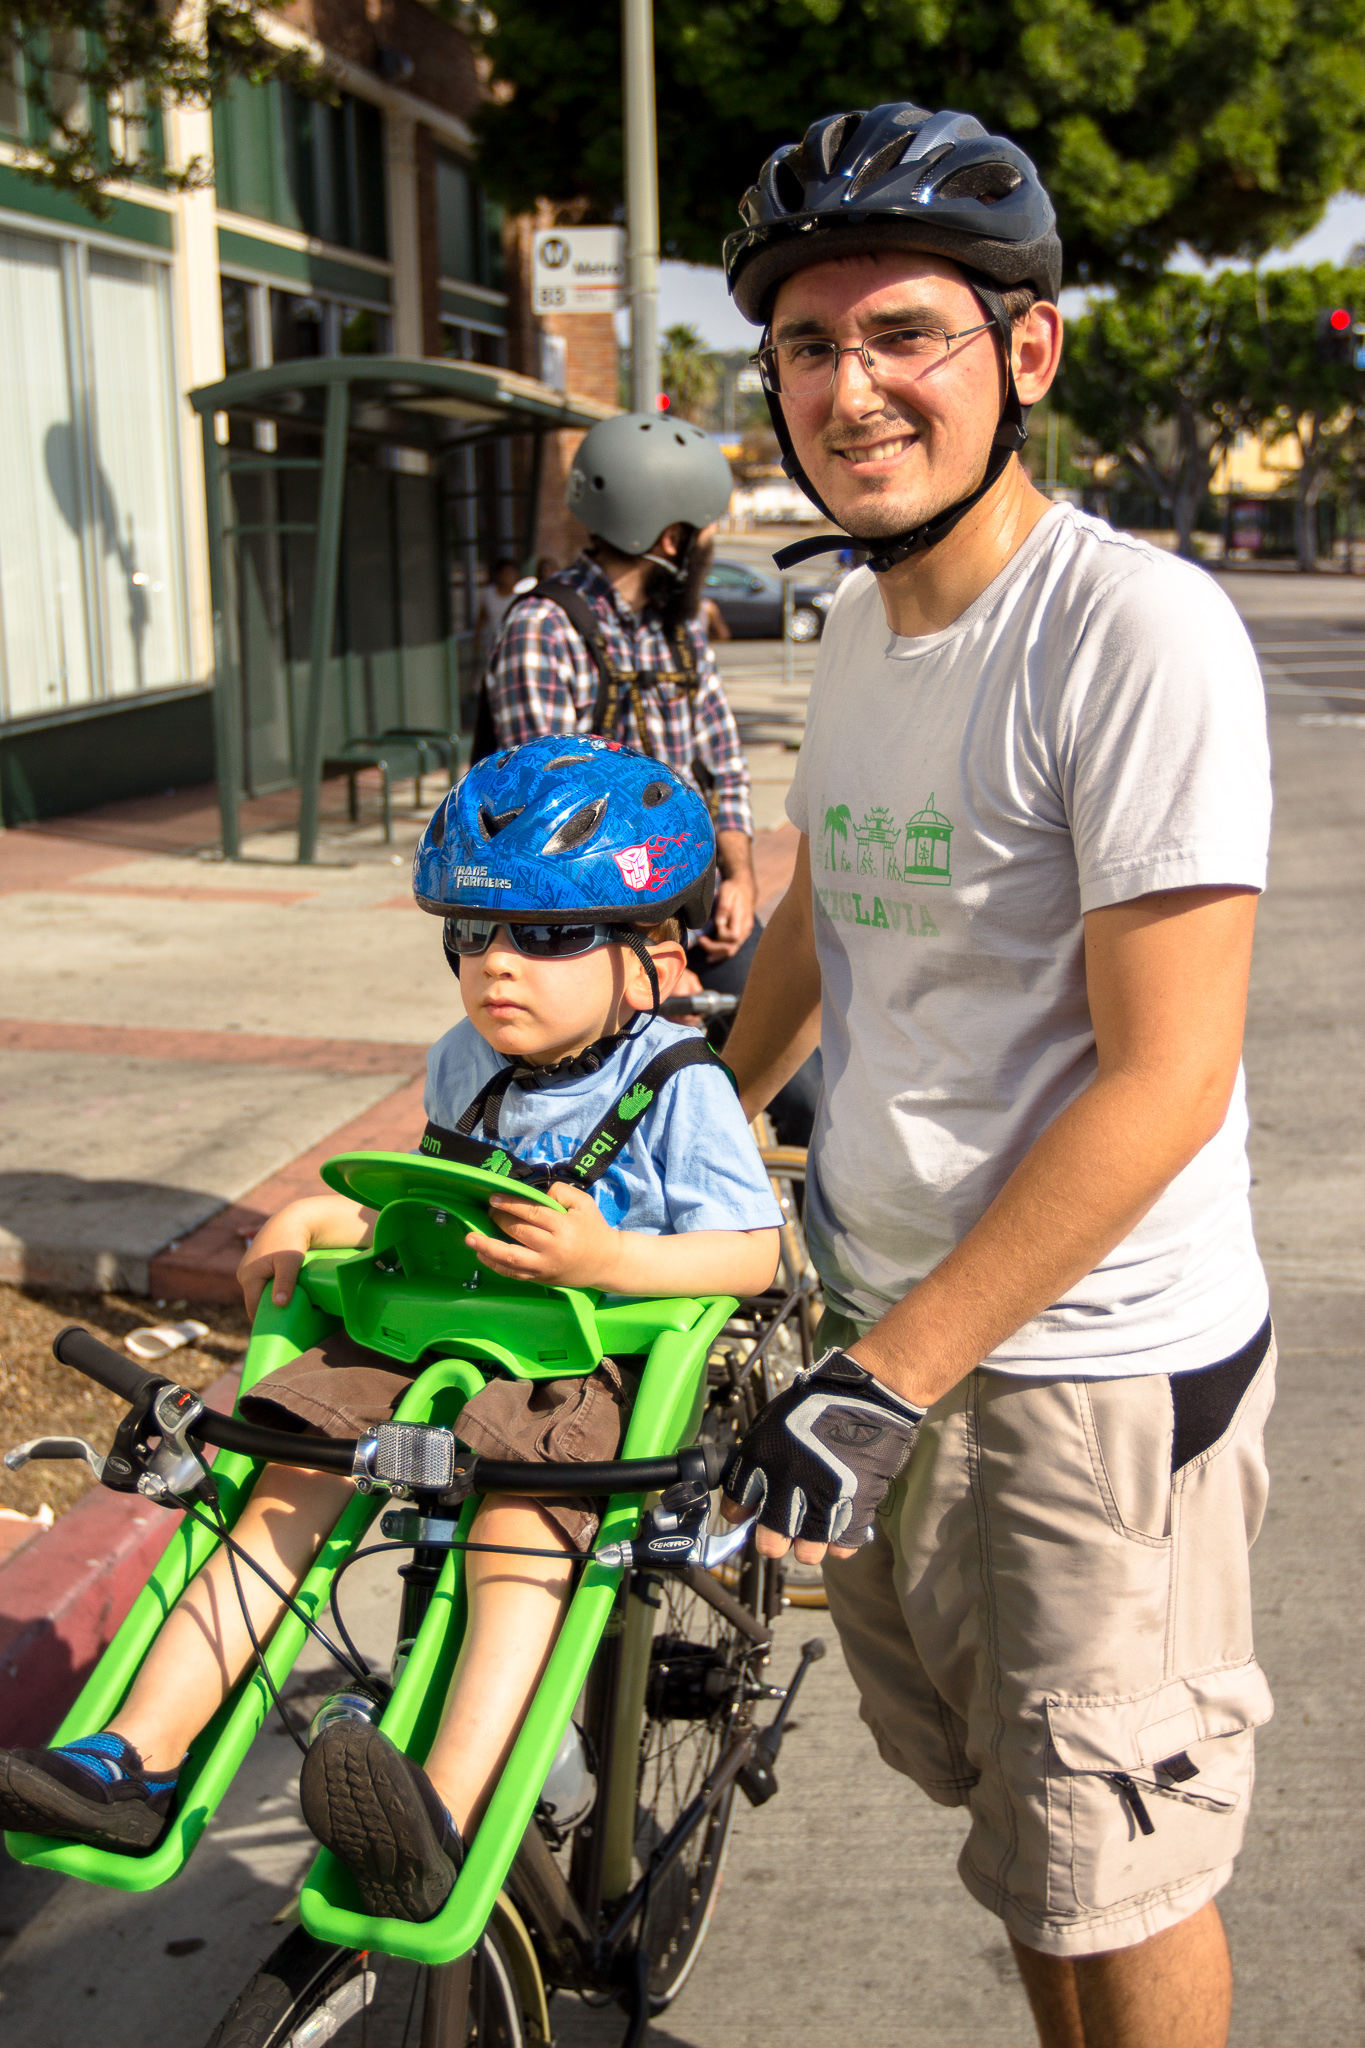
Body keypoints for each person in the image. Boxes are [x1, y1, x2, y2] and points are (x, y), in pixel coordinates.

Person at [715, 104, 1274, 2048]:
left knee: (1123, 1862)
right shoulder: (863, 620)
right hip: (897, 1333)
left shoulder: (1131, 629)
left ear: (1025, 350)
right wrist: (693, 1109)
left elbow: (1168, 1077)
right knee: (1032, 1840)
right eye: (808, 343)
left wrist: (884, 1375)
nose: (849, 388)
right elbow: (823, 918)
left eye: (904, 334)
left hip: (1082, 1375)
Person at [0, 740, 781, 1926]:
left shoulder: (678, 1083)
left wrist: (613, 1258)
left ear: (653, 958)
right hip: (424, 1330)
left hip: (580, 1366)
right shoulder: (464, 1062)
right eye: (472, 932)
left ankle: (440, 1813)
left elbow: (753, 1250)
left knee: (517, 1535)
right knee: (281, 1485)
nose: (497, 962)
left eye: (550, 934)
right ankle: (134, 1758)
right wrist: (331, 1217)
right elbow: (439, 1199)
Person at [486, 410, 821, 1144]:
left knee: (805, 1084)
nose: (710, 542)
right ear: (671, 539)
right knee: (633, 1124)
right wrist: (651, 958)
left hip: (691, 902)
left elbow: (721, 761)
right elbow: (548, 828)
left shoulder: (678, 626)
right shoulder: (544, 629)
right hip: (584, 933)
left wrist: (740, 879)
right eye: (706, 528)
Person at [474, 557, 521, 661]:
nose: (509, 577)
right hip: (493, 645)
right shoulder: (488, 594)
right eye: (506, 573)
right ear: (499, 575)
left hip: (514, 644)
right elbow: (481, 619)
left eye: (512, 573)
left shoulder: (520, 596)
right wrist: (476, 642)